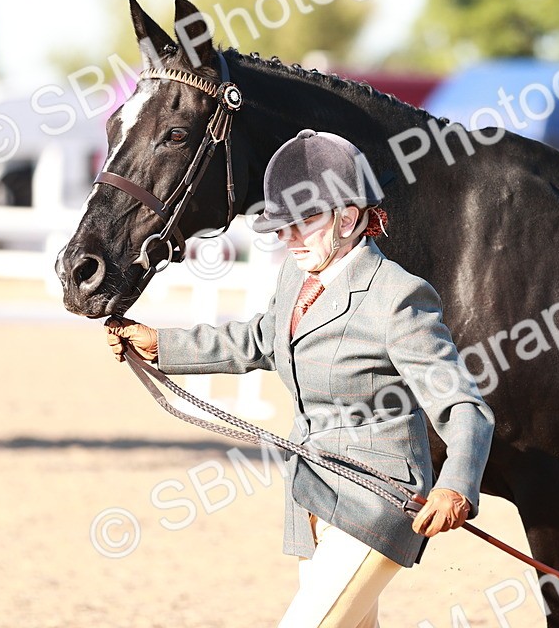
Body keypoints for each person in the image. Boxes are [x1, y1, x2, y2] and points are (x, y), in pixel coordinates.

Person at [106, 129, 494, 627]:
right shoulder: (297, 277)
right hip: (310, 497)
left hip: (377, 503)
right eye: (281, 224)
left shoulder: (398, 298)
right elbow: (260, 340)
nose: (288, 238)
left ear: (349, 218)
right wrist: (162, 345)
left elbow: (463, 405)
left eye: (305, 221)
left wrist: (457, 485)